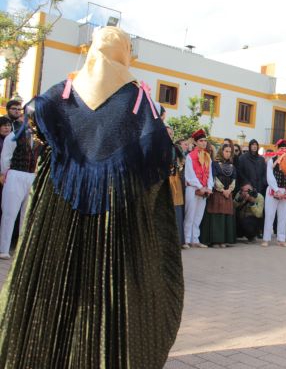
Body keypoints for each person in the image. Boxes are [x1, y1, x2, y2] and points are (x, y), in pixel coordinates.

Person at [0, 27, 183, 367]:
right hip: (116, 213)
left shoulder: (60, 93)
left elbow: (34, 114)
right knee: (109, 288)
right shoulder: (139, 100)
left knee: (53, 283)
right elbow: (161, 152)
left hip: (59, 209)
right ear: (124, 54)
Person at [0, 100, 42, 260]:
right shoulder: (14, 135)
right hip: (15, 174)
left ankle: (21, 248)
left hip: (31, 176)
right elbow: (5, 157)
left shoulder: (40, 138)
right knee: (10, 213)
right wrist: (5, 173)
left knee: (27, 214)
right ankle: (3, 248)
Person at [262, 139, 286, 247]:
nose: (283, 150)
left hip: (285, 191)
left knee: (283, 216)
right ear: (277, 149)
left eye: (284, 148)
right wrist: (276, 190)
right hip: (273, 190)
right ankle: (266, 239)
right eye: (281, 148)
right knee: (269, 215)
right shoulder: (272, 160)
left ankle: (281, 239)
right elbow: (270, 176)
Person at [200, 143, 236, 247]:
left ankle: (223, 240)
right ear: (222, 151)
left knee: (226, 215)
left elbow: (234, 179)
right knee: (216, 216)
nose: (228, 154)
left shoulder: (232, 165)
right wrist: (222, 190)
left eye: (230, 152)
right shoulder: (215, 164)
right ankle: (215, 240)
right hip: (217, 193)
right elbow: (213, 178)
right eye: (226, 151)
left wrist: (229, 190)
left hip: (228, 193)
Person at [183, 128, 212, 248]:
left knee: (199, 215)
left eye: (205, 141)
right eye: (201, 141)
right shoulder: (190, 156)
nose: (203, 143)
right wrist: (200, 187)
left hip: (203, 189)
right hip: (193, 189)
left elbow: (210, 174)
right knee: (190, 214)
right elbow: (189, 175)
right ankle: (186, 239)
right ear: (196, 142)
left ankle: (195, 239)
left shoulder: (207, 156)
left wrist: (209, 187)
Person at [167, 125, 186, 248]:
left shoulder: (175, 148)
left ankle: (177, 241)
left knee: (177, 210)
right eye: (167, 133)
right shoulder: (158, 147)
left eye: (171, 133)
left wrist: (179, 166)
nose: (169, 135)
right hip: (164, 181)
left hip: (176, 181)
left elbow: (182, 162)